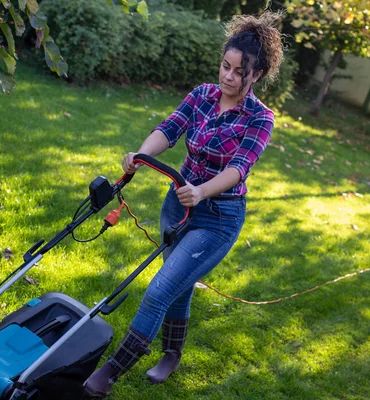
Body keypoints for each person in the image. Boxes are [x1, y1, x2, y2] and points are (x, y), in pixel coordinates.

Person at [83, 11, 284, 399]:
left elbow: (240, 168)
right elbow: (170, 129)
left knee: (161, 290)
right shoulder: (203, 95)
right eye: (225, 66)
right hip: (177, 206)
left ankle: (109, 373)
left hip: (218, 218)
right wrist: (141, 154)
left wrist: (204, 190)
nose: (228, 76)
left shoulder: (261, 118)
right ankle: (172, 353)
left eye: (239, 72)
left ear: (256, 75)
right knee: (180, 282)